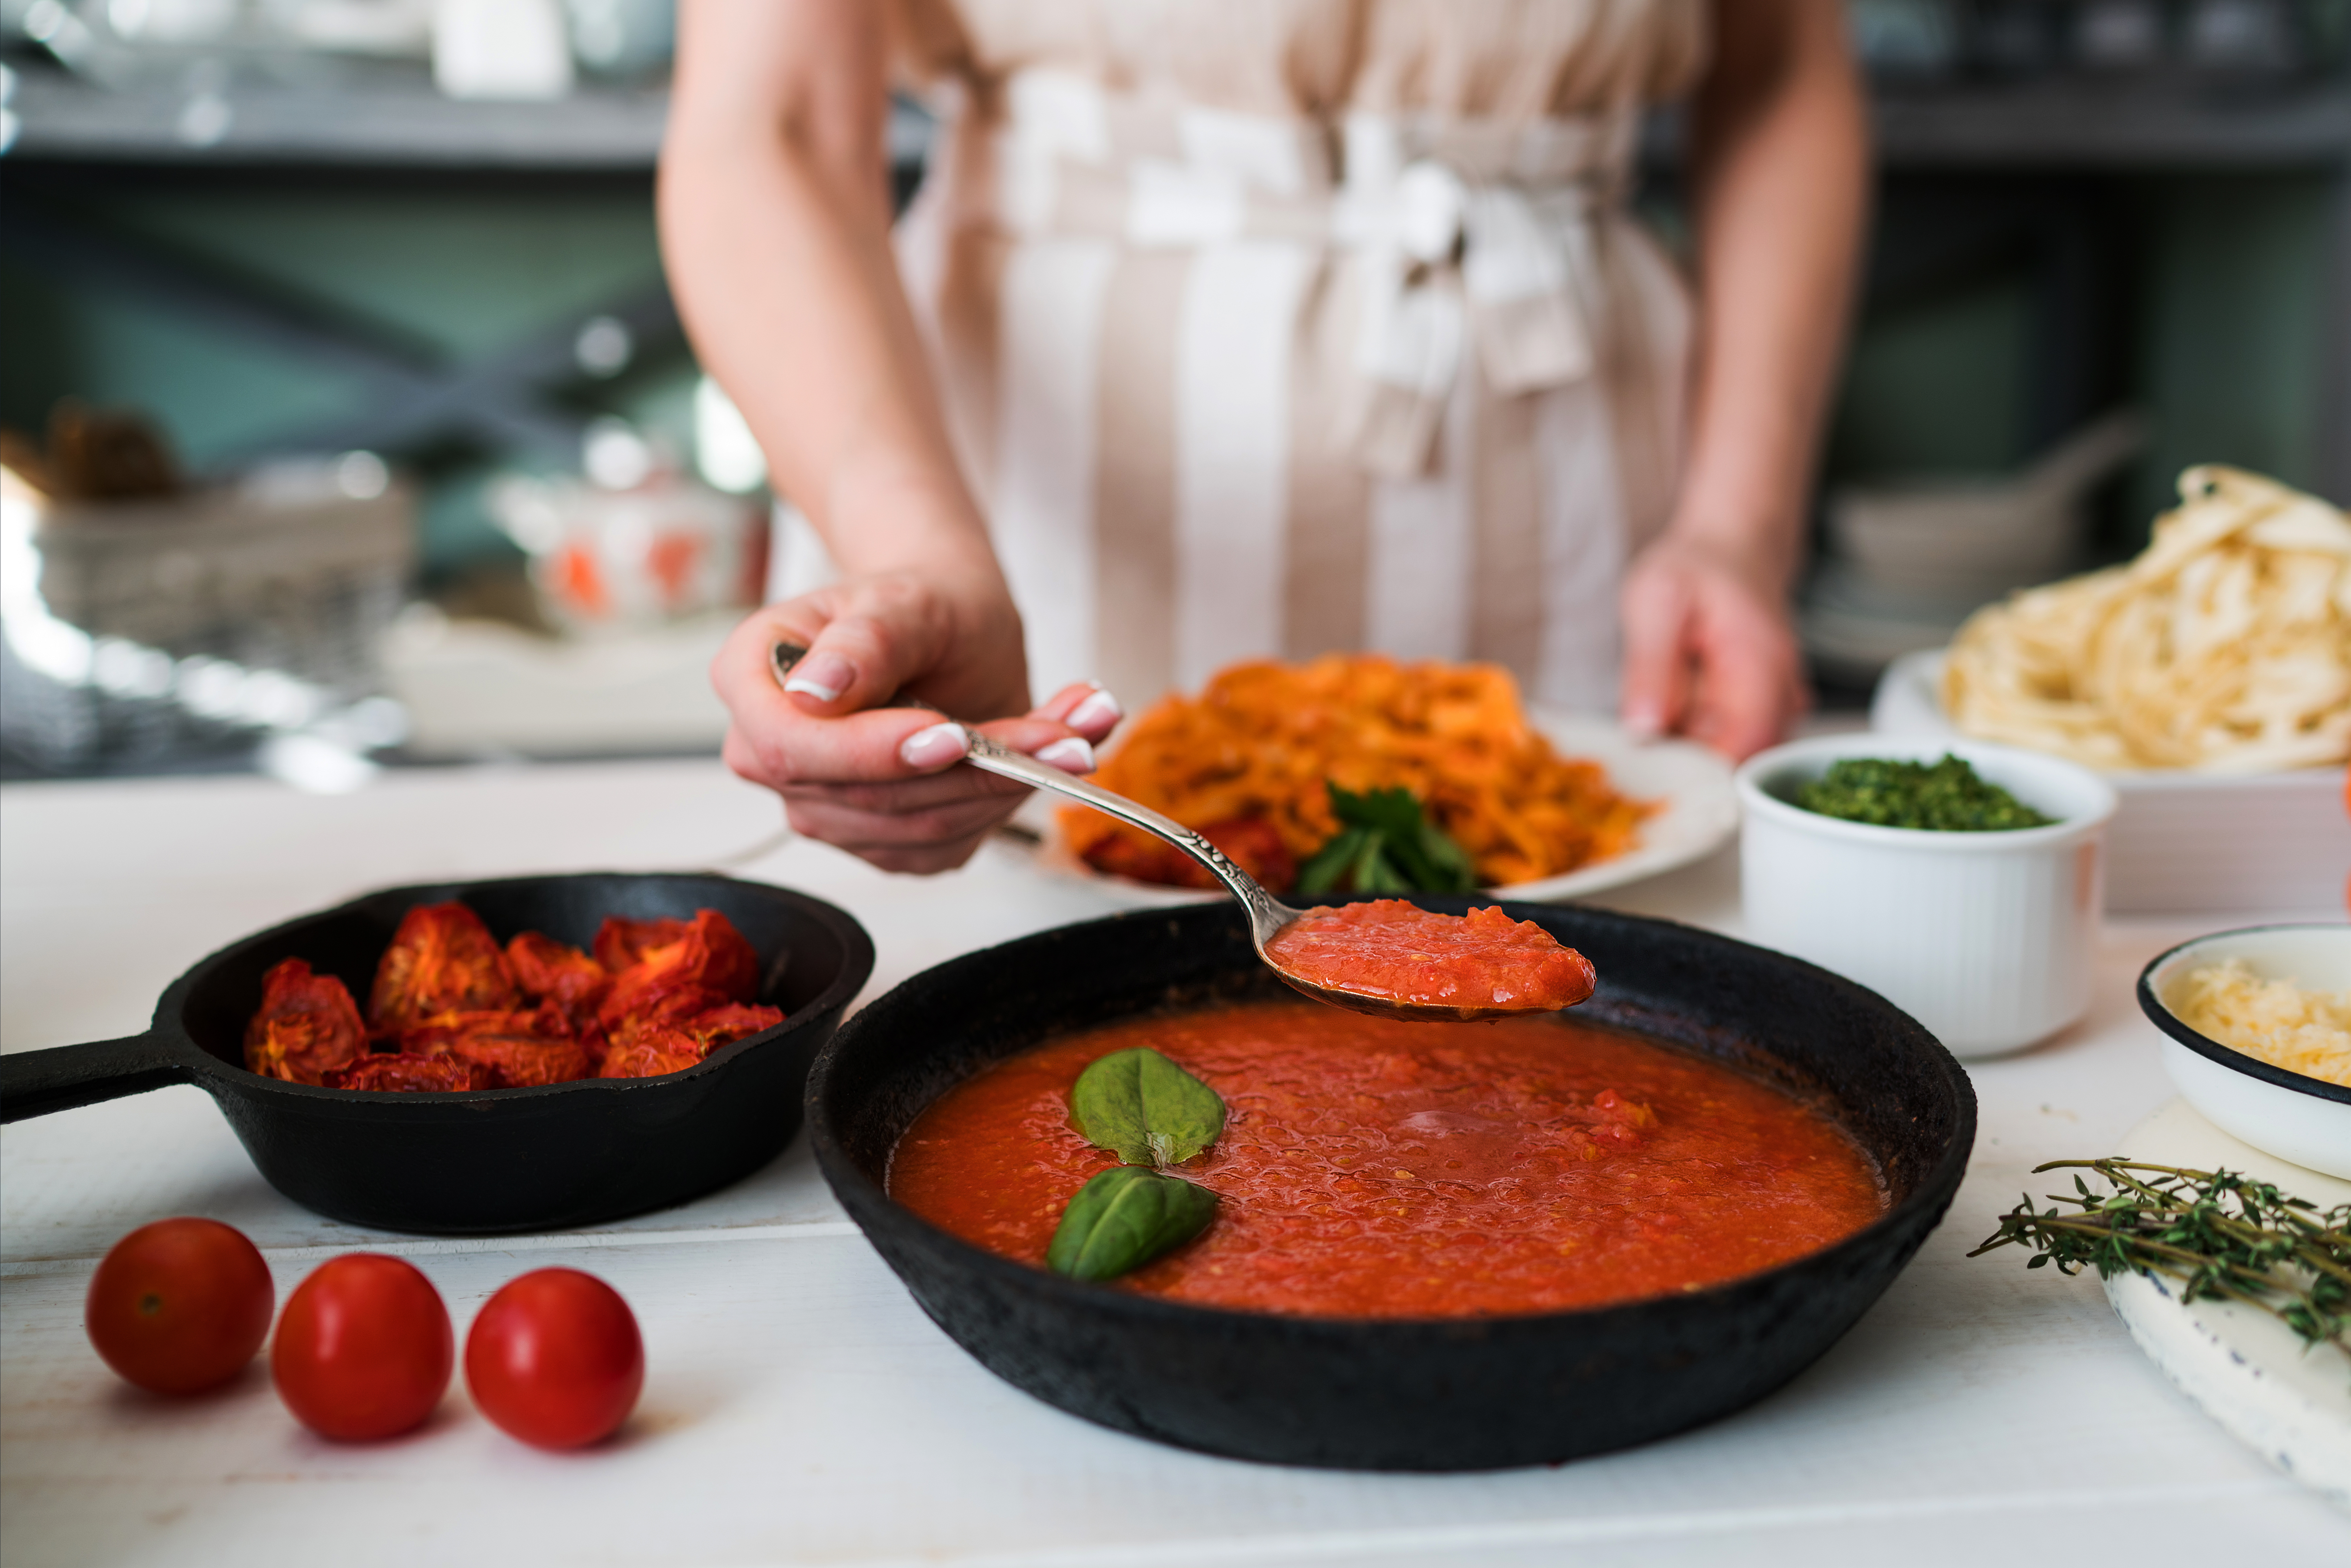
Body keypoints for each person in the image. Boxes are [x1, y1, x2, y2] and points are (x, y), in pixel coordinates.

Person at [662, 0, 1866, 873]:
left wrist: (1737, 528)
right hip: (1024, 511)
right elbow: (773, 127)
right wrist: (916, 557)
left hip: (1580, 516)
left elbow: (1779, 69)